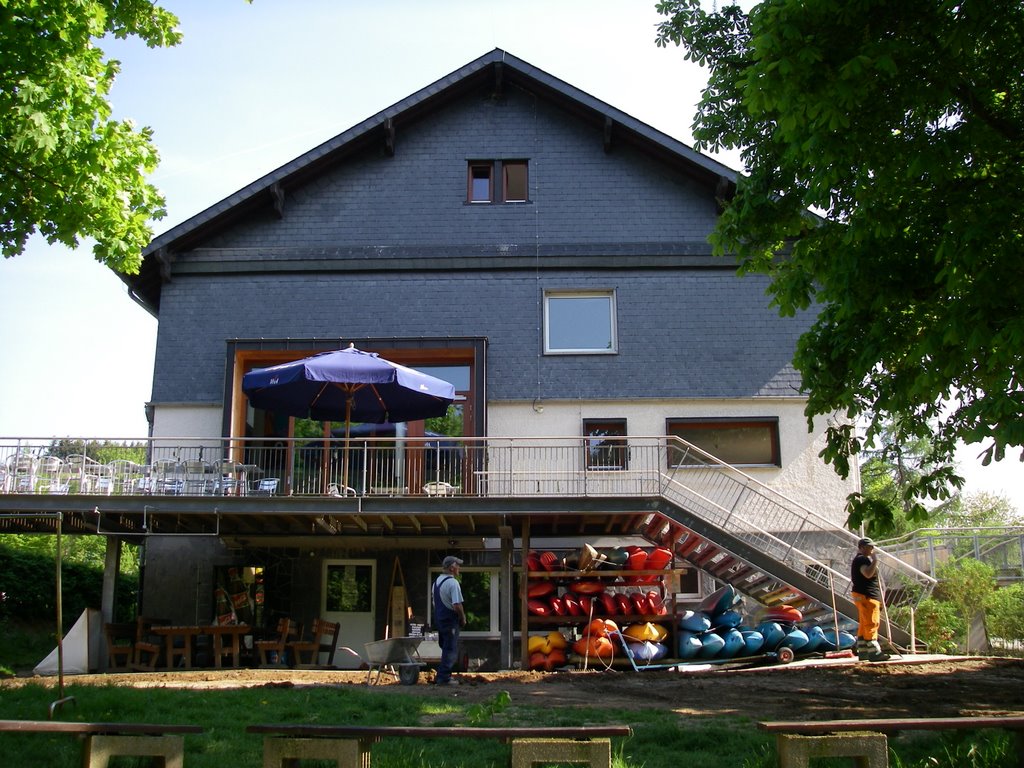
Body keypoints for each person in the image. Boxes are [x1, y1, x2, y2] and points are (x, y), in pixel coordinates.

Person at [850, 537, 890, 661]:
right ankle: (874, 652)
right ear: (862, 547)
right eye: (869, 547)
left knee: (864, 624)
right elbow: (867, 574)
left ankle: (863, 652)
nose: (872, 549)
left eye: (872, 547)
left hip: (862, 595)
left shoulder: (859, 559)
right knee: (872, 623)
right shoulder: (862, 559)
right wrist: (875, 561)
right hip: (867, 597)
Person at [432, 555, 466, 685]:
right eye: (458, 565)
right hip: (450, 620)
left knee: (445, 647)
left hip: (439, 619)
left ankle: (442, 674)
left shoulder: (436, 582)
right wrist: (462, 618)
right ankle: (444, 678)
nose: (459, 568)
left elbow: (435, 603)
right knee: (450, 649)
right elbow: (457, 604)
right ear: (452, 567)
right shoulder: (453, 583)